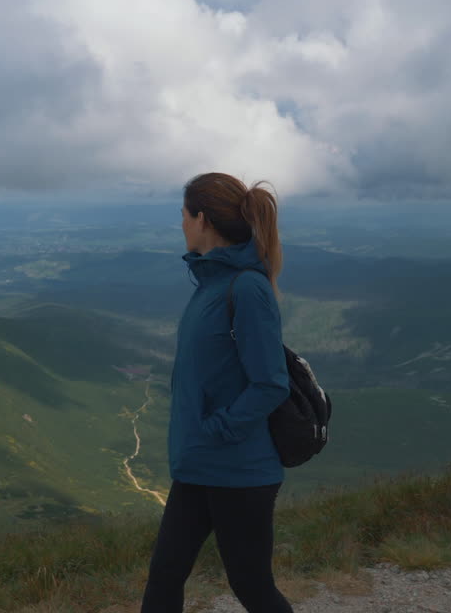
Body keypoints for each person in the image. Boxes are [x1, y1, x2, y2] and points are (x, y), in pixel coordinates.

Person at [140, 172, 294, 613]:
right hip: (198, 464)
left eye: (184, 216)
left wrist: (218, 428)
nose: (182, 226)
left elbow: (271, 382)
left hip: (240, 470)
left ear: (202, 219)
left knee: (251, 585)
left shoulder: (246, 288)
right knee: (165, 575)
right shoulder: (210, 282)